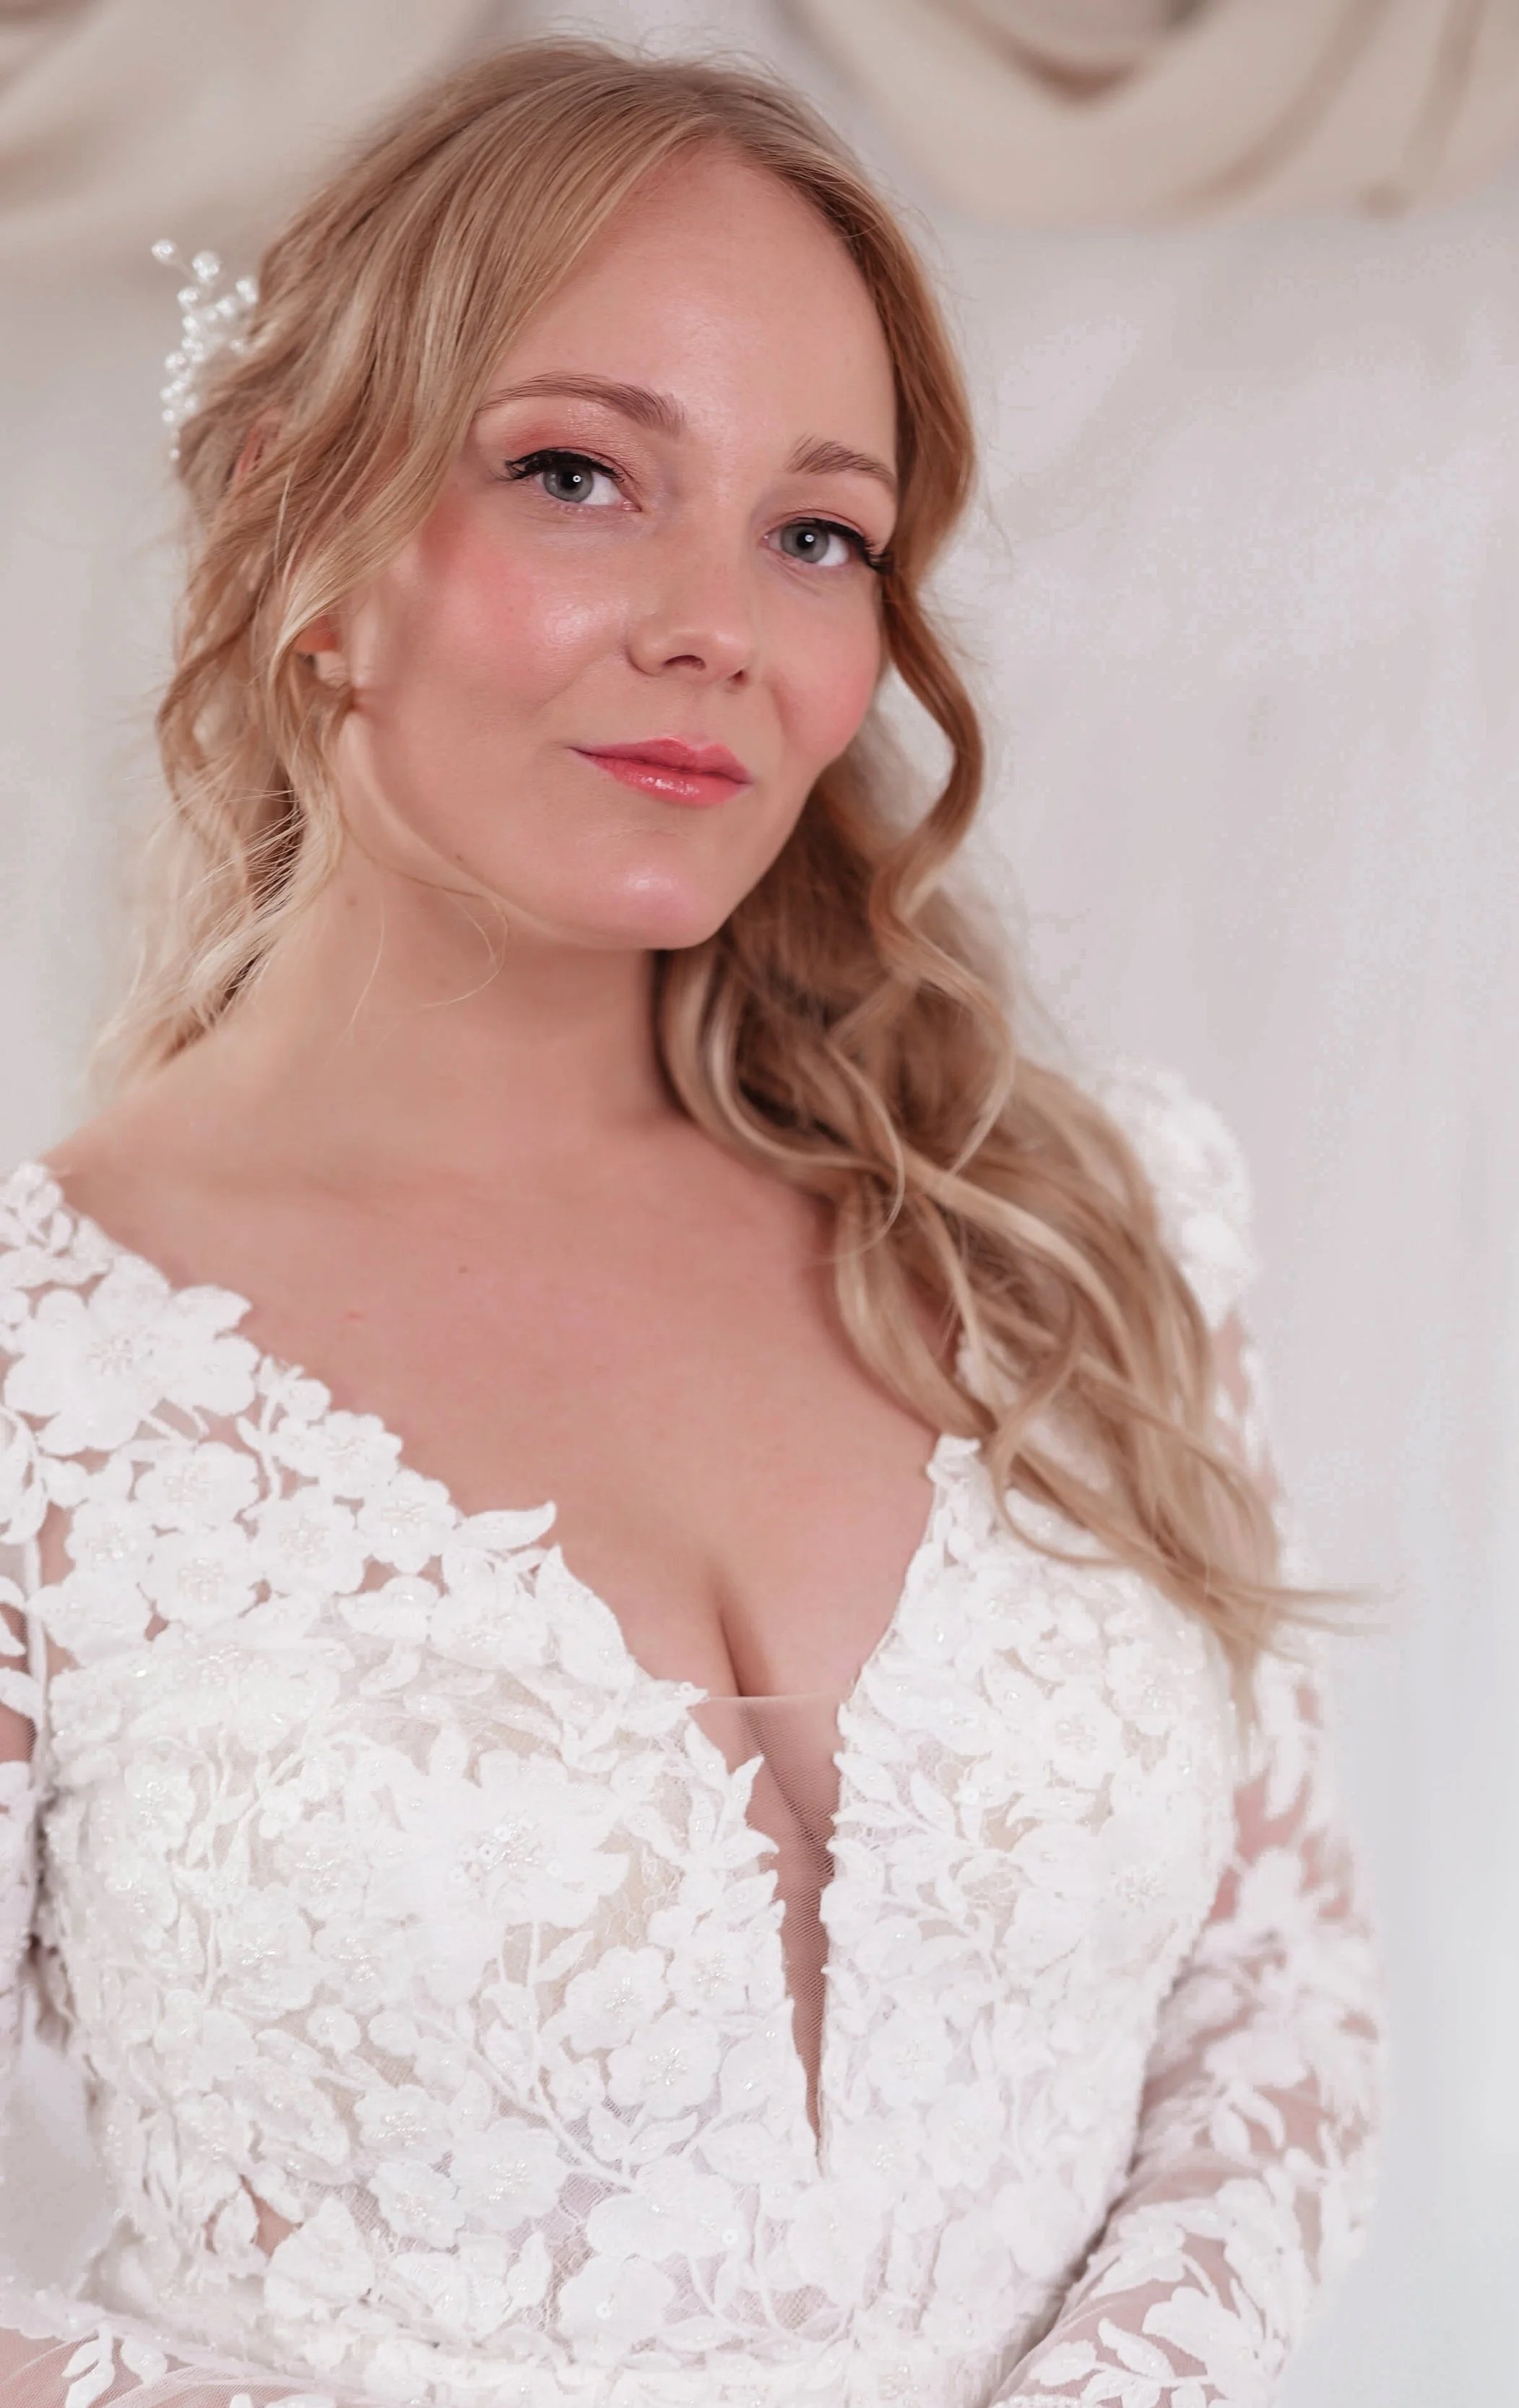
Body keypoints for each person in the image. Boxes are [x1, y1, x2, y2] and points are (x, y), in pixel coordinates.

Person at [0, 37, 1382, 2408]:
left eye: (813, 531)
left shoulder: (1087, 1222)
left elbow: (1277, 1995)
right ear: (296, 527)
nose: (718, 627)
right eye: (575, 475)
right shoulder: (47, 1367)